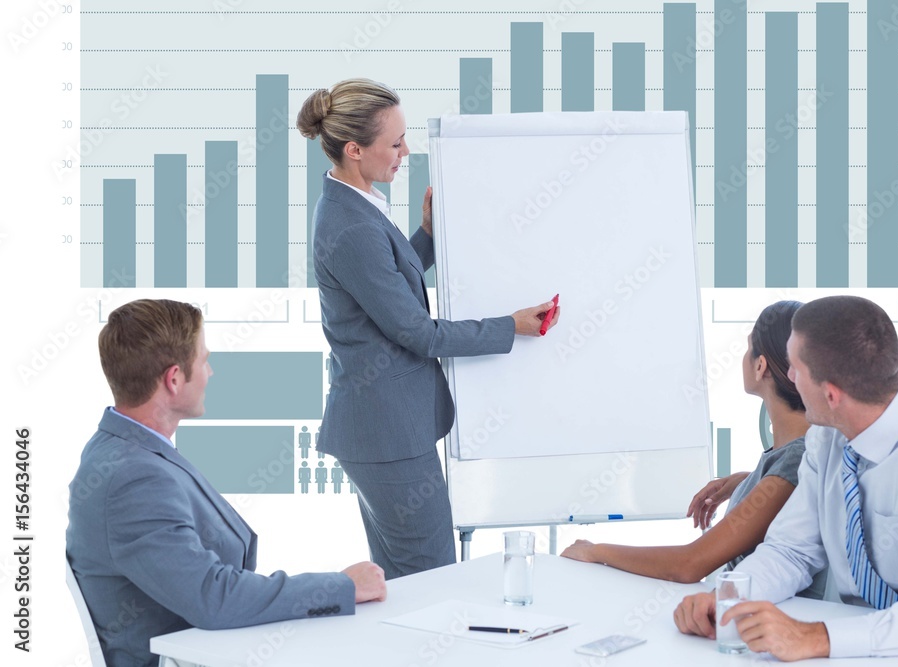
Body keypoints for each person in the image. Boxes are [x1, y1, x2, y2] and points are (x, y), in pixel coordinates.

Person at [296, 78, 560, 579]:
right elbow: (417, 331)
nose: (405, 152)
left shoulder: (357, 202)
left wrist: (428, 237)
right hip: (387, 435)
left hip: (389, 430)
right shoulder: (349, 224)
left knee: (406, 582)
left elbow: (383, 290)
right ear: (354, 150)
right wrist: (512, 326)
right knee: (433, 577)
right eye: (394, 143)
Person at [674, 295, 898, 660]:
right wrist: (729, 600)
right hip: (861, 646)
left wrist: (816, 637)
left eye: (795, 367)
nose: (789, 376)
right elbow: (791, 551)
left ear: (830, 394)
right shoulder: (826, 439)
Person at [66, 299, 387, 667]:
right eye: (203, 360)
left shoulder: (127, 446)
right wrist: (341, 586)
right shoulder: (132, 478)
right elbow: (212, 597)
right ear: (173, 379)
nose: (210, 372)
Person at [562, 301, 823, 597]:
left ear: (760, 365)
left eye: (749, 348)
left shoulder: (798, 458)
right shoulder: (796, 455)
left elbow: (689, 564)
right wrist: (749, 480)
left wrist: (596, 551)